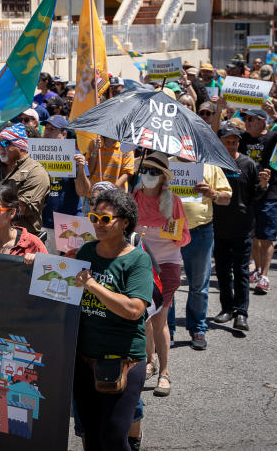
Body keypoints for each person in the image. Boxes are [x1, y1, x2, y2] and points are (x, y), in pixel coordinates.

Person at [72, 190, 153, 451]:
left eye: (105, 219)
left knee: (114, 439)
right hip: (84, 359)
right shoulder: (86, 250)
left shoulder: (137, 259)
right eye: (94, 217)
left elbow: (134, 309)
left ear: (125, 221)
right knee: (91, 438)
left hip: (123, 360)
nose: (97, 223)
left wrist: (94, 286)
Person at [131, 152, 190, 397]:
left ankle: (164, 372)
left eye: (154, 172)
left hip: (166, 265)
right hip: (139, 263)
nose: (148, 175)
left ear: (163, 177)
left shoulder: (173, 201)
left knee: (159, 319)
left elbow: (185, 237)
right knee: (143, 317)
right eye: (144, 170)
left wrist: (175, 235)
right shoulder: (132, 197)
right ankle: (150, 360)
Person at [167, 157, 231, 350]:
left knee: (199, 285)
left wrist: (212, 193)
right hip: (170, 228)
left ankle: (198, 329)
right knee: (168, 284)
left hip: (200, 231)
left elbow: (226, 199)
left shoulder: (211, 166)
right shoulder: (167, 164)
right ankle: (167, 330)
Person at [210, 124, 267, 332]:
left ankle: (241, 313)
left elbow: (255, 195)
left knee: (241, 271)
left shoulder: (248, 164)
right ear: (221, 143)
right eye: (227, 141)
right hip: (219, 225)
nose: (231, 145)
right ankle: (227, 309)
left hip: (242, 226)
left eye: (234, 141)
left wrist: (262, 184)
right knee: (223, 271)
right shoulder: (213, 164)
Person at [239, 104, 277, 295]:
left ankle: (264, 275)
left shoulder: (272, 136)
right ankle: (255, 268)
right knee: (254, 235)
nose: (246, 122)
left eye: (250, 119)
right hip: (249, 192)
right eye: (245, 119)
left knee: (267, 236)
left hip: (270, 192)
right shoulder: (243, 138)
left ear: (262, 121)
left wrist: (276, 116)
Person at [0, 123, 50, 236]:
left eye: (5, 143)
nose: (0, 147)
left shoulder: (36, 172)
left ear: (20, 146)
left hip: (22, 240)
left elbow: (23, 208)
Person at [40, 115, 91, 252]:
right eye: (46, 129)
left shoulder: (75, 155)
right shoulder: (37, 153)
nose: (47, 132)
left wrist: (80, 168)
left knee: (71, 269)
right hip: (45, 222)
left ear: (63, 134)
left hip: (71, 222)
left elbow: (83, 192)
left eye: (52, 130)